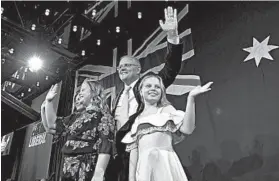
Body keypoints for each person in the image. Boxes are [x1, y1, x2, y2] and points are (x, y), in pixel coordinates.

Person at [111, 7, 183, 181]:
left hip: (146, 150)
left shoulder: (148, 85)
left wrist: (172, 36)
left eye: (127, 65)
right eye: (120, 66)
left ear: (138, 69)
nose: (122, 68)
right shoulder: (116, 98)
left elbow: (170, 69)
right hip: (121, 154)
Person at [121, 73, 213, 181]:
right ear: (140, 91)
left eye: (157, 87)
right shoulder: (137, 119)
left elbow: (187, 129)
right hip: (144, 168)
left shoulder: (166, 110)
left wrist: (191, 99)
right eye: (148, 86)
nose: (153, 89)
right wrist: (131, 178)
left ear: (162, 92)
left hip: (165, 164)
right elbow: (134, 150)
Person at [41, 80, 115, 181]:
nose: (80, 93)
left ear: (94, 92)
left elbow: (105, 146)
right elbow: (53, 124)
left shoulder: (104, 116)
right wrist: (49, 102)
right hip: (67, 167)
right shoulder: (75, 116)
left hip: (87, 166)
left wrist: (98, 174)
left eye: (83, 90)